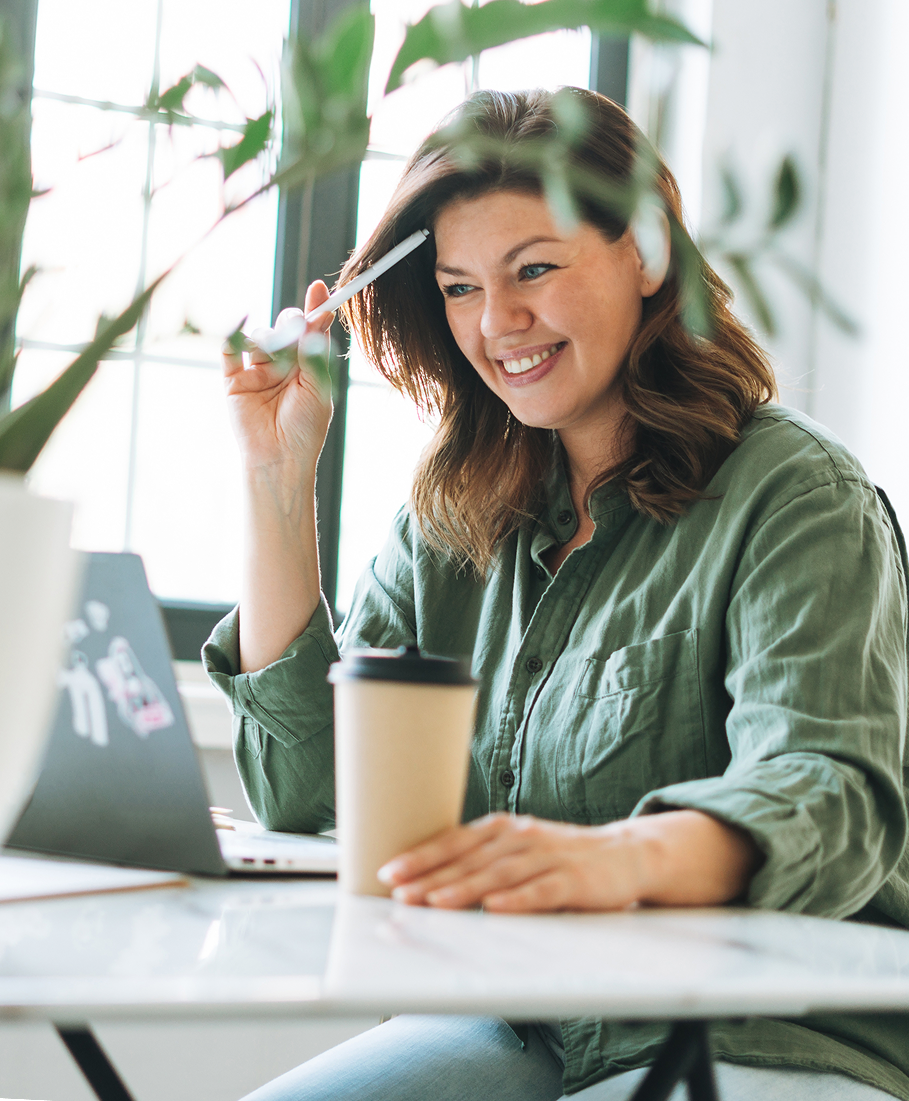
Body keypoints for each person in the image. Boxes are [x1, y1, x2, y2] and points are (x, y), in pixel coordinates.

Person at [205, 88, 909, 1100]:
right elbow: (311, 793)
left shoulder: (795, 494)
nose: (498, 322)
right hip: (527, 1020)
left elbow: (828, 796)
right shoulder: (456, 512)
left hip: (764, 1030)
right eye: (458, 288)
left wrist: (616, 861)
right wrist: (277, 480)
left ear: (646, 254)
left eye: (534, 268)